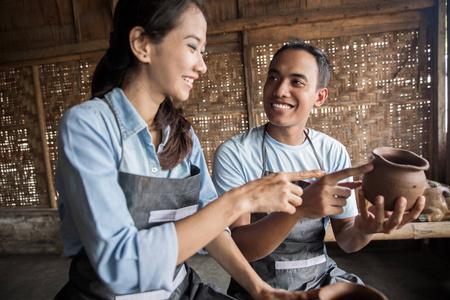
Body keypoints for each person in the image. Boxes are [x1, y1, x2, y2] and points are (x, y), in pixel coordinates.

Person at [53, 1, 335, 299]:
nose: (201, 65)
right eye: (192, 47)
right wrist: (241, 200)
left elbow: (212, 227)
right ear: (142, 45)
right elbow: (120, 266)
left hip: (179, 289)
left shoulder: (182, 135)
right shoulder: (88, 126)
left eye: (203, 51)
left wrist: (261, 290)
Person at [212, 39, 426, 298]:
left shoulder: (331, 151)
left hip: (320, 277)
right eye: (273, 77)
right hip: (259, 287)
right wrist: (299, 209)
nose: (280, 90)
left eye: (296, 82)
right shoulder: (236, 153)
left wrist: (364, 229)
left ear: (319, 96)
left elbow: (346, 240)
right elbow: (241, 248)